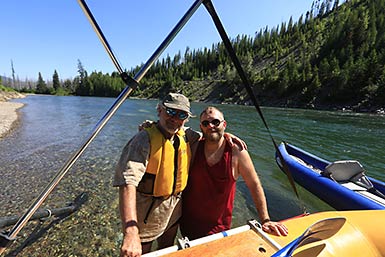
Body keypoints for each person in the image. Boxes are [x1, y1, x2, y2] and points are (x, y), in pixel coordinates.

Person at [180, 106, 288, 240]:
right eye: (206, 123)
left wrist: (265, 220)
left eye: (216, 122)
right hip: (186, 223)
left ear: (224, 124)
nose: (211, 126)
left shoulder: (236, 152)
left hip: (217, 230)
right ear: (201, 127)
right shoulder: (194, 145)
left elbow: (254, 185)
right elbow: (172, 129)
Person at [113, 93, 201, 257]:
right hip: (148, 213)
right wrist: (131, 230)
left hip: (174, 209)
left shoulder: (186, 135)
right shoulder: (142, 140)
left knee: (166, 248)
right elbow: (127, 182)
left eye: (181, 114)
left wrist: (226, 135)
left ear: (186, 119)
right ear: (159, 110)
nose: (175, 118)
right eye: (170, 111)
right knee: (139, 251)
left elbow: (211, 135)